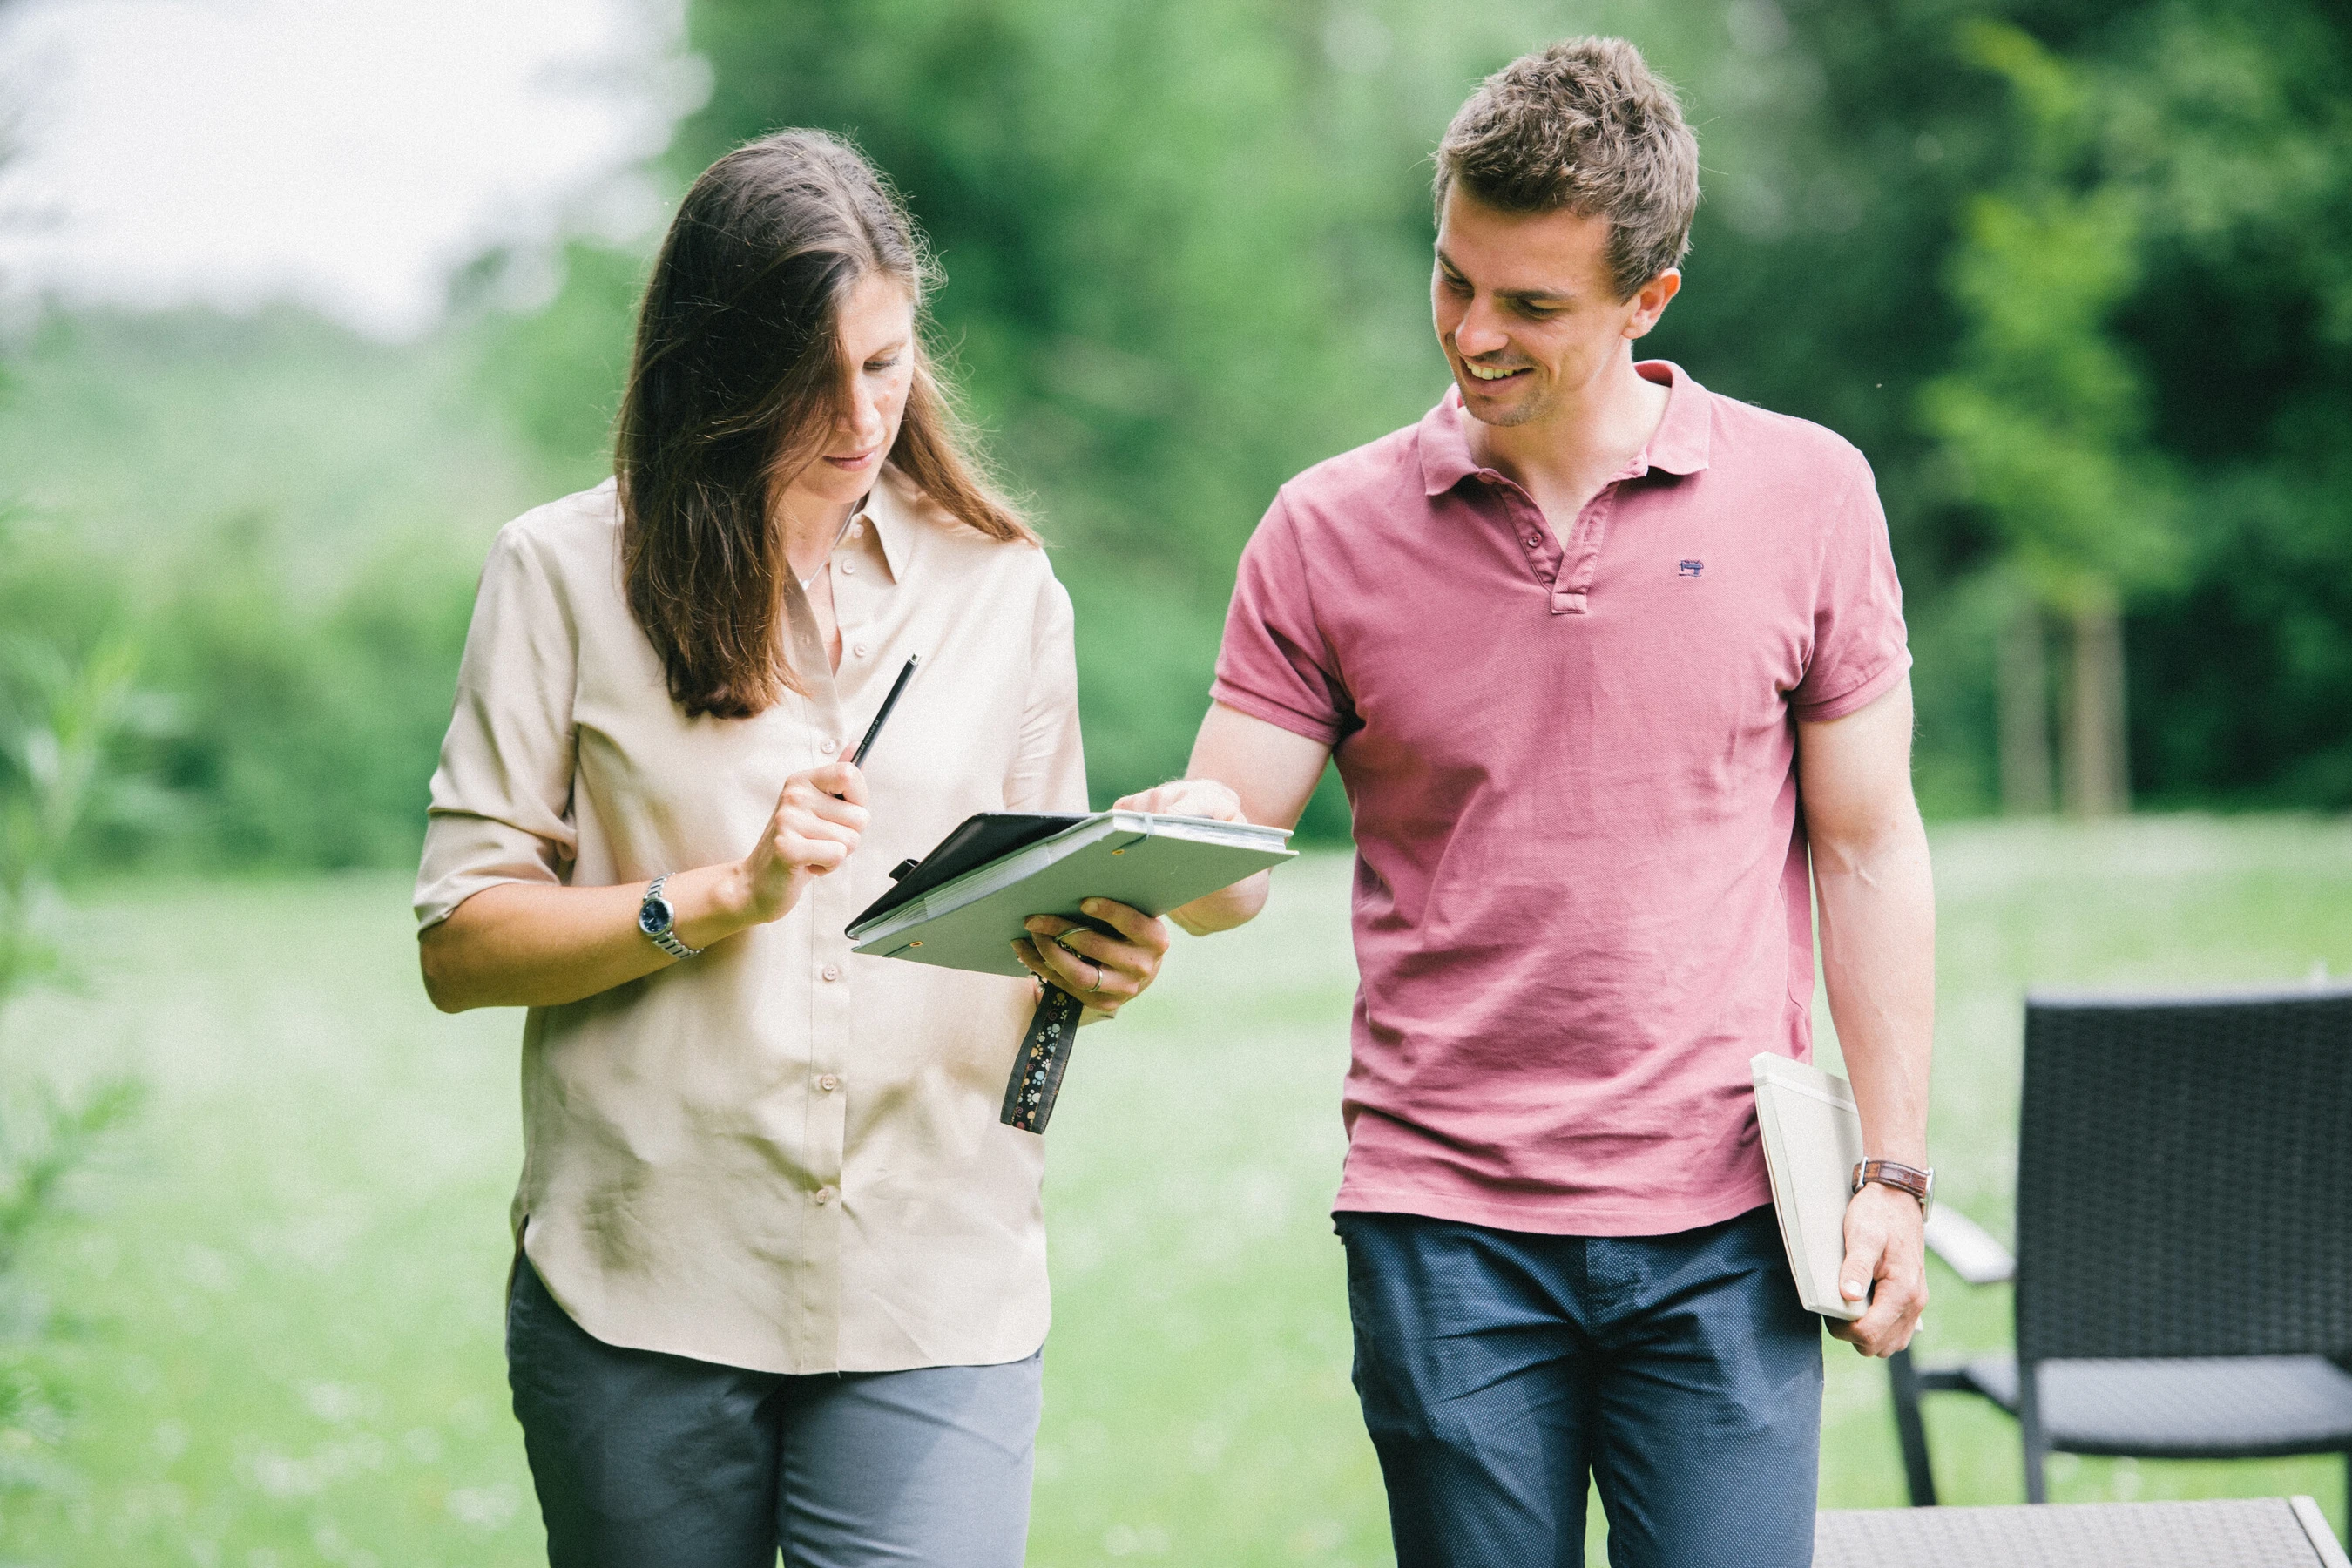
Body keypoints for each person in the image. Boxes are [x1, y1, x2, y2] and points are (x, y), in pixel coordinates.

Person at [1125, 37, 1934, 1568]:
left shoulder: (1810, 495)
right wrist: (1164, 846)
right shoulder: (1324, 532)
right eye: (1453, 280)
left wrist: (1891, 1171)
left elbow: (1869, 841)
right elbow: (1231, 859)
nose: (1471, 333)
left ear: (1651, 301)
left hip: (1728, 1223)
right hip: (1445, 1225)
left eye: (1530, 306)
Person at [412, 130, 1168, 1568]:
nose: (859, 415)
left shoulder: (1007, 589)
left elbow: (1035, 933)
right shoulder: (560, 576)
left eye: (885, 366)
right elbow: (460, 943)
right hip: (641, 1283)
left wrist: (1099, 953)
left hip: (936, 1281)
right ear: (715, 366)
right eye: (811, 378)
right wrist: (719, 898)